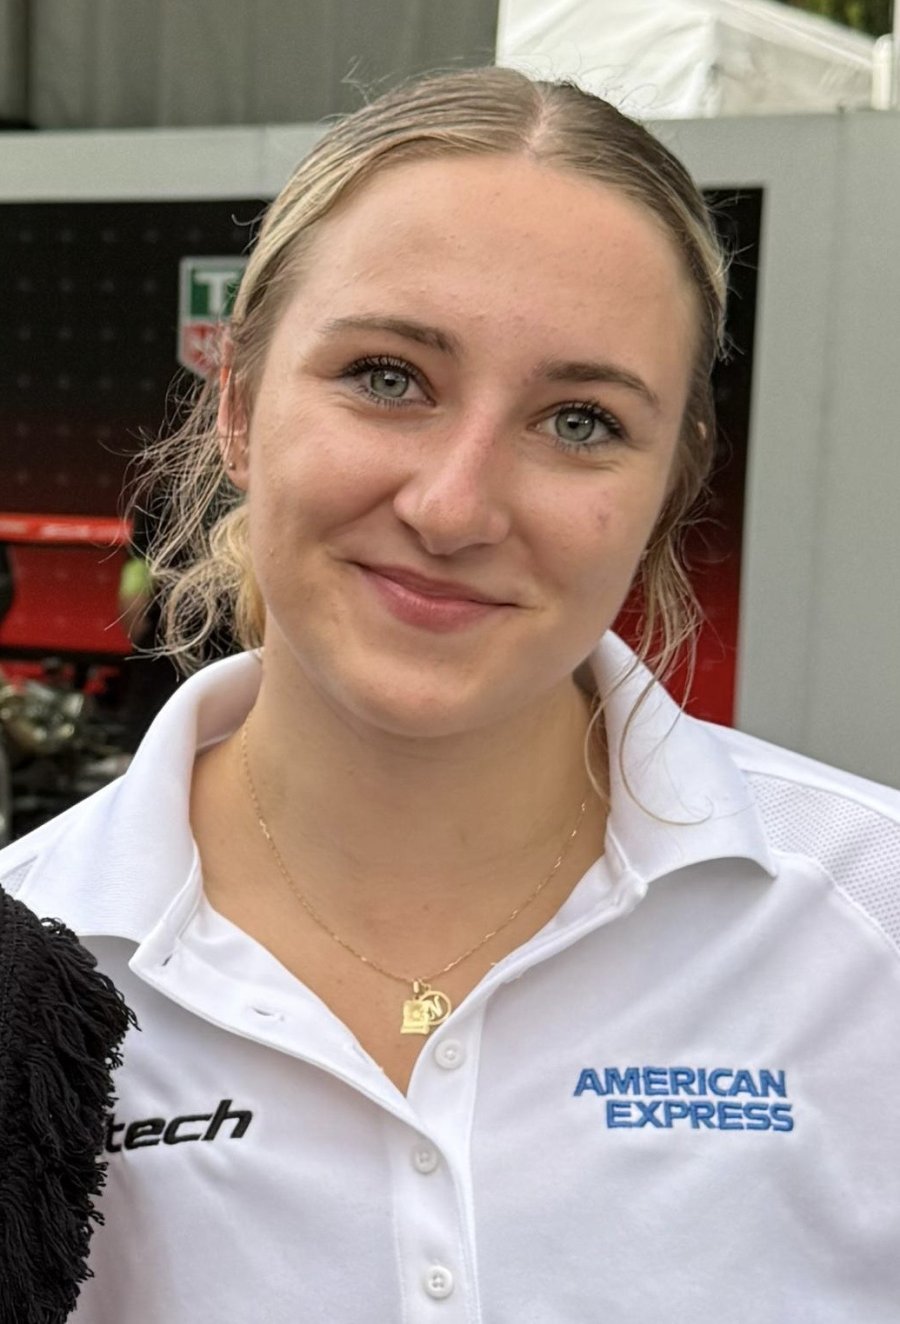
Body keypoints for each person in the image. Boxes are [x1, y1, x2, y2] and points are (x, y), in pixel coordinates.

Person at [0, 66, 898, 1322]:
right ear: (240, 408)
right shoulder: (29, 968)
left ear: (668, 488)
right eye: (388, 376)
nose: (455, 506)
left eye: (580, 420)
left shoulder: (870, 925)